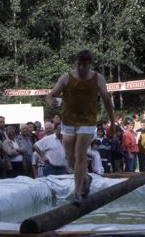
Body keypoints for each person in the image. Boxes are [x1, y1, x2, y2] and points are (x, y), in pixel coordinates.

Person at [46, 50, 114, 200]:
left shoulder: (98, 78)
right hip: (68, 122)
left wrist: (113, 121)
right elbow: (51, 94)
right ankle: (85, 179)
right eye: (79, 64)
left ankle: (77, 191)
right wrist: (50, 100)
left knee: (79, 152)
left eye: (85, 65)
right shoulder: (66, 78)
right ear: (75, 63)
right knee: (70, 158)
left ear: (90, 64)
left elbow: (107, 100)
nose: (82, 68)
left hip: (87, 122)